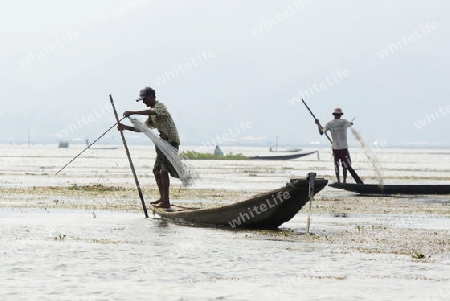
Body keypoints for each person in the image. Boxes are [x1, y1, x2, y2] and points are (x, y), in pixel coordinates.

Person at [118, 86, 180, 208]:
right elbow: (142, 128)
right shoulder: (151, 113)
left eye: (144, 99)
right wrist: (125, 127)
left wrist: (133, 112)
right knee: (156, 171)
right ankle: (162, 198)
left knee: (164, 170)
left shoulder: (160, 107)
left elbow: (154, 112)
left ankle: (166, 202)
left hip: (171, 143)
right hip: (163, 144)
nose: (144, 102)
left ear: (151, 97)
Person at [315, 108, 363, 184]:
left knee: (336, 165)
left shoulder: (329, 124)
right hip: (343, 148)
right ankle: (344, 181)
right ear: (340, 115)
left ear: (334, 115)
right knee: (345, 165)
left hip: (335, 148)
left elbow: (321, 132)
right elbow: (351, 124)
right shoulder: (344, 122)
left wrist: (318, 124)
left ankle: (339, 181)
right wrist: (349, 123)